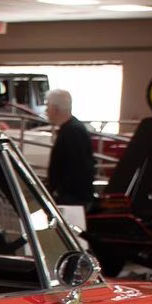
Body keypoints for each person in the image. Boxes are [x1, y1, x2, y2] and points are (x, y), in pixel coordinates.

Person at [44, 88, 95, 230]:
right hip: (72, 196)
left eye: (47, 106)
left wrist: (59, 191)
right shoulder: (72, 128)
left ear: (55, 108)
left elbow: (79, 167)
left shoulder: (72, 131)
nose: (46, 110)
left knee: (71, 236)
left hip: (73, 199)